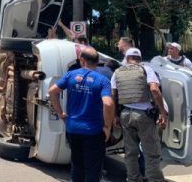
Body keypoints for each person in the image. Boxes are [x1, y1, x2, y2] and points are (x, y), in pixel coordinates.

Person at [48, 47, 114, 182]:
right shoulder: (102, 80)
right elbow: (108, 104)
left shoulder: (70, 75)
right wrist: (107, 127)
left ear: (82, 60)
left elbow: (52, 91)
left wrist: (60, 113)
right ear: (97, 62)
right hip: (93, 131)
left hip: (73, 129)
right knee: (93, 169)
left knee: (77, 165)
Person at [112, 48, 167, 182]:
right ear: (140, 59)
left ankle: (132, 179)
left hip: (125, 114)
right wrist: (162, 112)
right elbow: (154, 89)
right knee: (151, 152)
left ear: (127, 57)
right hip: (143, 115)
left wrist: (115, 116)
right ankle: (154, 179)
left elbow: (112, 95)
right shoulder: (146, 69)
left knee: (130, 153)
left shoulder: (117, 72)